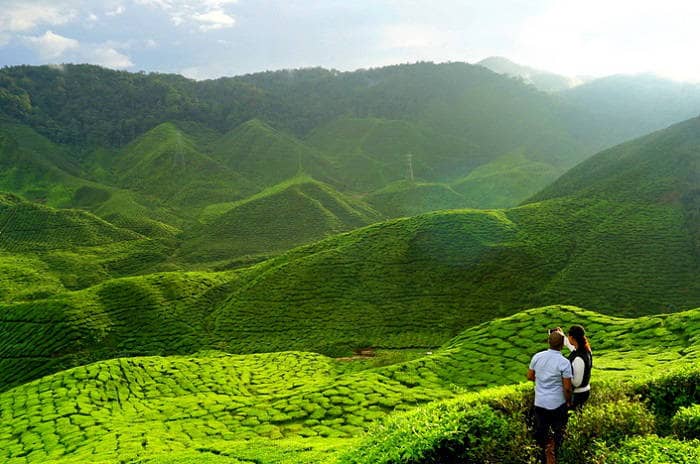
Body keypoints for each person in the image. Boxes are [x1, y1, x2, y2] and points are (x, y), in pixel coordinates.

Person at [527, 330, 573, 464]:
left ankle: (542, 458)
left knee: (541, 433)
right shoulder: (564, 362)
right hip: (558, 404)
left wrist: (542, 379)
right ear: (562, 345)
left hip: (540, 402)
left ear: (548, 342)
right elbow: (567, 387)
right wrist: (568, 401)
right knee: (559, 432)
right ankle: (557, 456)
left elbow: (530, 376)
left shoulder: (537, 357)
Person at [565, 325, 593, 410]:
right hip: (584, 391)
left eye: (568, 336)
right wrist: (561, 335)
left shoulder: (578, 358)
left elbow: (576, 383)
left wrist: (564, 377)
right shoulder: (586, 350)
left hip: (578, 395)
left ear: (572, 338)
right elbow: (572, 347)